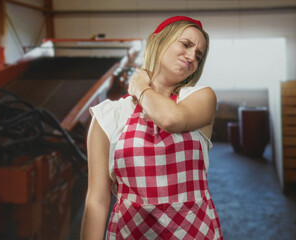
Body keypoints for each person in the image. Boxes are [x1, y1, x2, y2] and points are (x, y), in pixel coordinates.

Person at [81, 16, 223, 240]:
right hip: (130, 233)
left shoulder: (200, 98)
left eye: (199, 55)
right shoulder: (109, 116)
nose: (192, 57)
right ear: (159, 41)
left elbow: (170, 119)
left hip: (194, 232)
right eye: (186, 44)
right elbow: (97, 201)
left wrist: (140, 86)